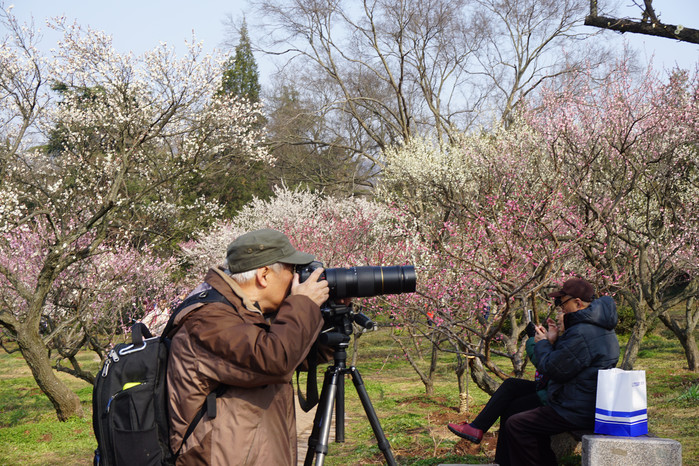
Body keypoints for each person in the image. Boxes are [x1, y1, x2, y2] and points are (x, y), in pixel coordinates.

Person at [167, 229, 330, 465]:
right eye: (291, 271)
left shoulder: (247, 315)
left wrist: (329, 317)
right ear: (264, 275)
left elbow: (297, 353)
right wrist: (303, 305)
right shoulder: (208, 320)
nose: (297, 278)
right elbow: (274, 360)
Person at [447, 309, 565, 446]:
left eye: (561, 309)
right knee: (511, 385)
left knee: (513, 409)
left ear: (577, 303)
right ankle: (477, 428)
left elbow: (547, 364)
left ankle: (499, 450)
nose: (557, 315)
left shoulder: (577, 333)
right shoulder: (572, 331)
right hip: (554, 389)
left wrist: (536, 341)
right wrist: (550, 340)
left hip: (559, 397)